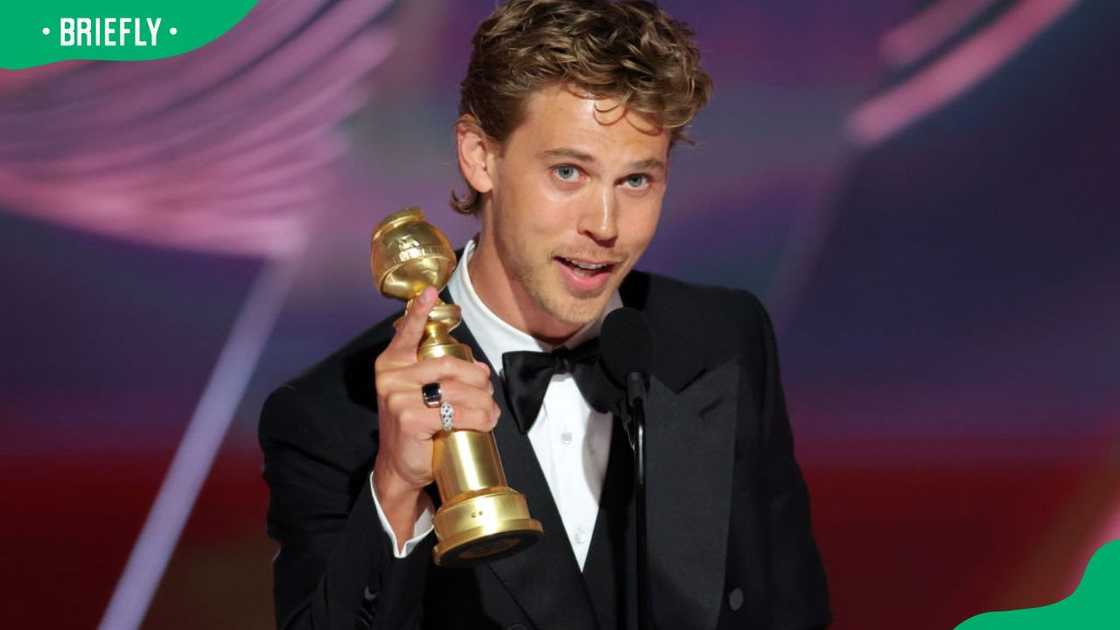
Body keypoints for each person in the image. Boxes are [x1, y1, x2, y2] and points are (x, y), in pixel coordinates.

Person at [258, 1, 830, 628]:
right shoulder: (334, 416)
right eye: (568, 172)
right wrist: (396, 490)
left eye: (636, 181)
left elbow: (790, 609)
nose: (605, 227)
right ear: (480, 156)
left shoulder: (725, 340)